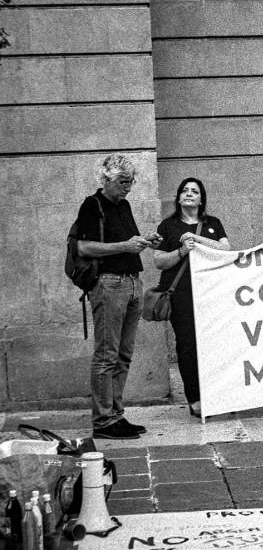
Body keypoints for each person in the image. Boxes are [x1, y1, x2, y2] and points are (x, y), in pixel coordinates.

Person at [75, 154, 161, 440]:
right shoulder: (92, 205)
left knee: (123, 355)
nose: (128, 187)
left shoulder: (123, 206)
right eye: (123, 182)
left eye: (131, 182)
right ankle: (103, 421)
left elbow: (129, 244)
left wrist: (145, 240)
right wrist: (125, 244)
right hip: (109, 283)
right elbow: (84, 248)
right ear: (105, 180)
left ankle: (116, 415)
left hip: (132, 282)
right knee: (106, 355)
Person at [153, 178, 230, 418]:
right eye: (184, 190)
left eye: (194, 191)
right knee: (187, 346)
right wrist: (181, 251)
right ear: (178, 198)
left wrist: (195, 239)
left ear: (201, 199)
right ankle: (194, 398)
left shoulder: (213, 223)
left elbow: (226, 250)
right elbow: (158, 261)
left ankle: (217, 394)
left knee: (213, 344)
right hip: (181, 295)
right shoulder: (167, 226)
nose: (189, 194)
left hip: (209, 294)